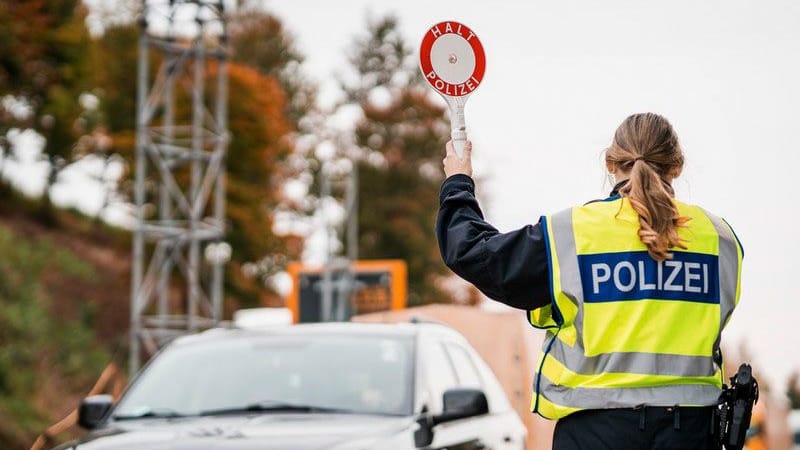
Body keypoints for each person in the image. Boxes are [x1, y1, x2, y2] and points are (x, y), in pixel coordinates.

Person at [436, 113, 743, 450]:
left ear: (612, 164)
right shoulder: (720, 239)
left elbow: (473, 253)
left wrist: (458, 181)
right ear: (677, 167)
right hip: (691, 434)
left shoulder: (572, 234)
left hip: (595, 434)